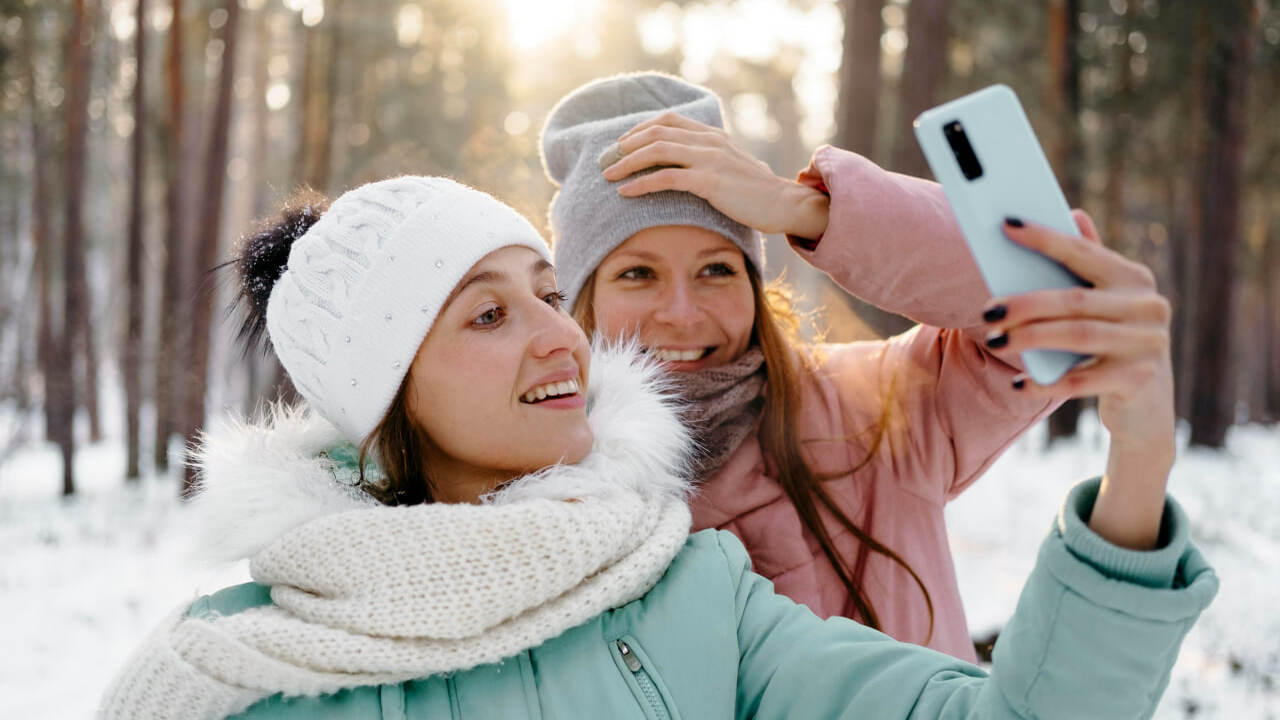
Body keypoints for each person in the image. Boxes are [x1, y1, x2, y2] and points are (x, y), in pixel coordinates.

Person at [99, 175, 1215, 720]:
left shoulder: (690, 591)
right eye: (487, 315)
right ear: (385, 398)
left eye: (545, 295)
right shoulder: (246, 666)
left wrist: (1138, 463)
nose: (554, 335)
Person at [540, 72, 1175, 660]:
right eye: (637, 273)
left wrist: (807, 209)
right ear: (576, 301)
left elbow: (1054, 298)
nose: (682, 312)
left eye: (716, 269)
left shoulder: (874, 411)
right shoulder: (539, 489)